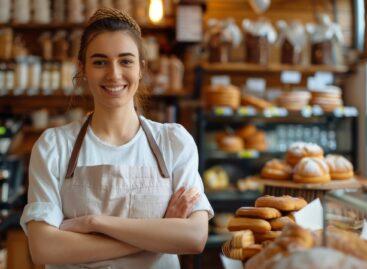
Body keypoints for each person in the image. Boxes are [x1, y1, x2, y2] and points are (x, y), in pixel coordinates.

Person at [20, 8, 214, 269]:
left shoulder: (173, 142)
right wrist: (160, 234)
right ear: (83, 69)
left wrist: (95, 223)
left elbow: (194, 237)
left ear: (141, 68)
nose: (114, 74)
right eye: (100, 62)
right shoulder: (54, 146)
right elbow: (44, 248)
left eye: (125, 61)